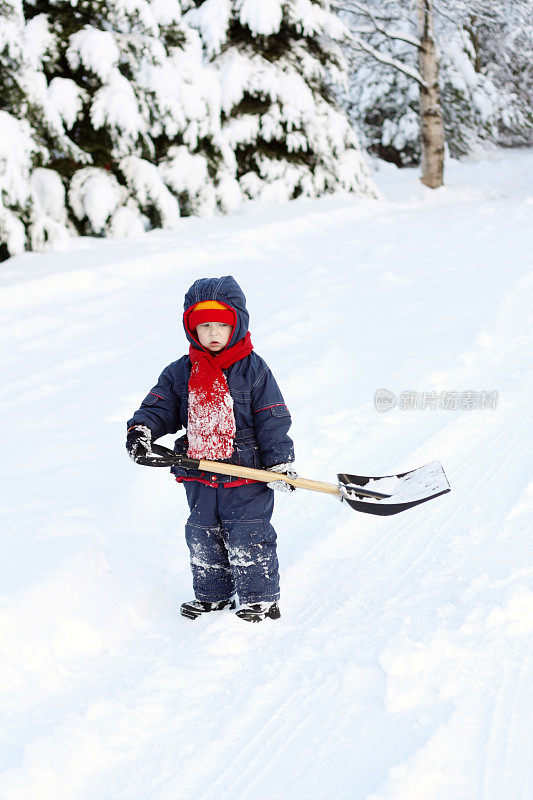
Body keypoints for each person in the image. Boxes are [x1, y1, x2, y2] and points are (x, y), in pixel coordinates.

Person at [126, 276, 296, 623]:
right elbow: (160, 405)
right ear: (192, 328)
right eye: (205, 325)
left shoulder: (254, 370)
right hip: (200, 471)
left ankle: (258, 598)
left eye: (222, 323)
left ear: (237, 325)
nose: (214, 332)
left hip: (247, 473)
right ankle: (212, 596)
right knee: (202, 535)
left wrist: (279, 463)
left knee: (249, 535)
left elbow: (272, 418)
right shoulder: (181, 372)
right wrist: (141, 430)